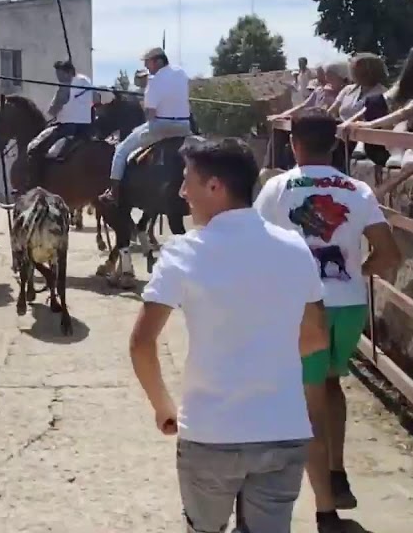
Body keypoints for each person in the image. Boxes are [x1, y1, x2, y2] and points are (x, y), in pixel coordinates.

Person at [130, 137, 329, 533]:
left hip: (211, 432)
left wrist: (164, 406)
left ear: (215, 187)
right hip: (283, 429)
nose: (182, 191)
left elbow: (142, 343)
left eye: (188, 181)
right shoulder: (294, 247)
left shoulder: (183, 252)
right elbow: (316, 337)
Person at [255, 109, 401, 532]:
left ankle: (326, 510)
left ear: (294, 144)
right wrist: (358, 272)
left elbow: (257, 247)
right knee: (333, 384)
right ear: (336, 145)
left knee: (309, 402)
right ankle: (337, 471)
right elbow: (390, 254)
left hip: (302, 309)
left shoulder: (276, 189)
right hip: (349, 304)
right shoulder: (357, 189)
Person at [102, 47, 192, 202]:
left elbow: (150, 115)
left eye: (147, 63)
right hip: (185, 126)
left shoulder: (154, 82)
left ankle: (113, 193)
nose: (146, 67)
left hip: (161, 127)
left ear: (158, 61)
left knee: (121, 150)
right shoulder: (181, 73)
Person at [346, 43, 413, 167]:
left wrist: (370, 125)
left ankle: (412, 151)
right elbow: (381, 101)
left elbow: (406, 112)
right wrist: (353, 122)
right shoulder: (405, 86)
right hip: (390, 149)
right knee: (374, 100)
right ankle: (372, 147)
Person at [22, 59, 100, 191]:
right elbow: (96, 99)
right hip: (87, 129)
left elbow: (53, 110)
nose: (58, 78)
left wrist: (53, 110)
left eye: (61, 74)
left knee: (33, 148)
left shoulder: (64, 87)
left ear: (69, 73)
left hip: (67, 128)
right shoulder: (86, 81)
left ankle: (33, 184)